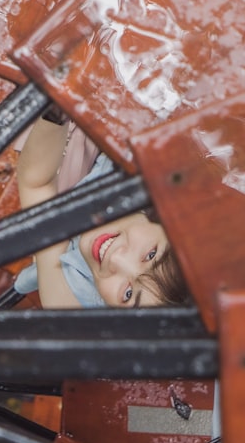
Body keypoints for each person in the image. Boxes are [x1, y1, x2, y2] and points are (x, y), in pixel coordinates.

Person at [14, 109, 190, 309]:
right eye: (150, 255)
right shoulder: (176, 170)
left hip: (70, 204)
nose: (116, 258)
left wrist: (55, 114)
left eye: (127, 294)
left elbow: (37, 185)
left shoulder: (65, 300)